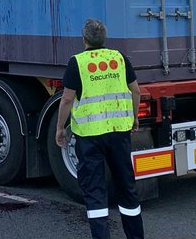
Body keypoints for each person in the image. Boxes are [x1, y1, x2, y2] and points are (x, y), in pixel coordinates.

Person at [55, 19, 143, 239]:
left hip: (89, 137)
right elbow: (136, 91)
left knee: (95, 192)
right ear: (104, 38)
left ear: (84, 39)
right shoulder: (119, 58)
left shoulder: (77, 62)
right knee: (126, 187)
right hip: (119, 133)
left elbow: (67, 99)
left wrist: (60, 128)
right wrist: (133, 118)